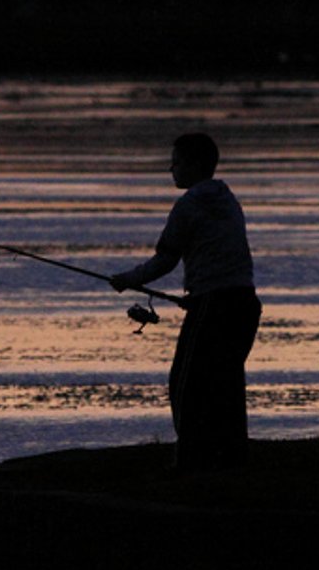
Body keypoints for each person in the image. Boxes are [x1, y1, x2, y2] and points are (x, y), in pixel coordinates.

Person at [110, 132, 261, 470]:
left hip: (214, 306)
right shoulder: (228, 199)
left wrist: (127, 280)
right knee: (226, 385)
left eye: (176, 162)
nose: (171, 169)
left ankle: (192, 460)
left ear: (193, 165)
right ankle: (231, 458)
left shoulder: (189, 204)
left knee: (185, 383)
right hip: (244, 303)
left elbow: (165, 259)